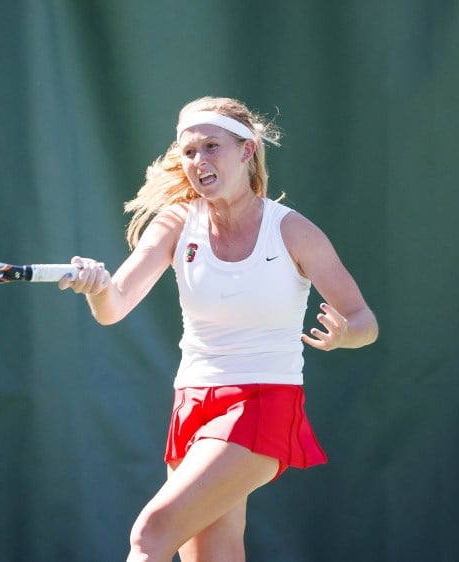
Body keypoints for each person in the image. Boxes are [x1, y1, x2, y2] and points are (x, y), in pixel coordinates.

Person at [58, 96, 379, 562]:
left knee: (151, 534)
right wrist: (95, 288)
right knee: (213, 556)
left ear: (247, 151)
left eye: (211, 147)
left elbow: (363, 319)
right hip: (192, 403)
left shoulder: (291, 231)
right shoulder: (175, 224)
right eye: (188, 152)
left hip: (265, 401)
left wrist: (346, 333)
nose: (198, 161)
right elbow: (115, 304)